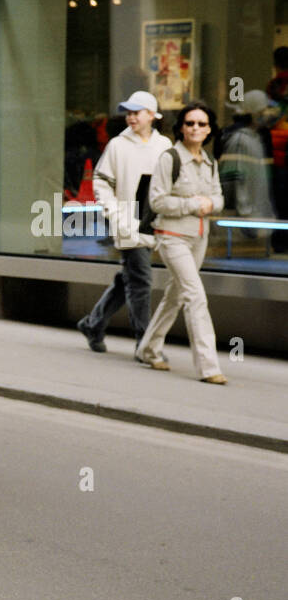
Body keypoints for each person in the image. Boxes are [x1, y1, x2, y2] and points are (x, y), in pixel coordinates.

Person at [135, 100, 227, 383]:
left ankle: (149, 348)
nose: (196, 128)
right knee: (195, 297)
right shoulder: (169, 158)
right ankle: (209, 367)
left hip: (198, 237)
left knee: (175, 295)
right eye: (190, 123)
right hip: (171, 237)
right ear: (181, 128)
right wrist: (192, 204)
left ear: (209, 129)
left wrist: (210, 204)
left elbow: (219, 199)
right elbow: (158, 201)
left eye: (202, 124)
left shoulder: (209, 162)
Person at [76, 90, 172, 353]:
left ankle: (93, 324)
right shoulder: (117, 145)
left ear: (151, 115)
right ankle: (146, 343)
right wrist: (116, 215)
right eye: (128, 113)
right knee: (141, 280)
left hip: (152, 222)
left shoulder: (164, 146)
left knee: (128, 279)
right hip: (126, 221)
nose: (130, 117)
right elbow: (101, 183)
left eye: (136, 112)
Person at [217, 90, 274, 243]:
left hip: (254, 220)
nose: (267, 115)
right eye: (263, 111)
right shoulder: (240, 140)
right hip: (243, 224)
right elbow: (235, 181)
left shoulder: (255, 138)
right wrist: (246, 215)